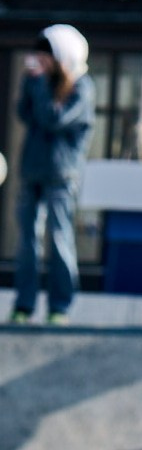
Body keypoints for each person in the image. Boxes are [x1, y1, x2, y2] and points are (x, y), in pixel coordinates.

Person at [13, 25, 92, 323]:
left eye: (48, 57)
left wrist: (41, 84)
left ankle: (60, 307)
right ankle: (24, 305)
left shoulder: (82, 88)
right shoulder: (38, 84)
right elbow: (23, 113)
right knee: (27, 241)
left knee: (59, 239)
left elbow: (52, 118)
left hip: (61, 176)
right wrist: (30, 82)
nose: (41, 62)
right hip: (32, 171)